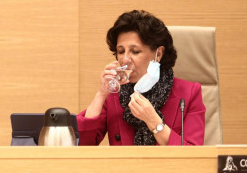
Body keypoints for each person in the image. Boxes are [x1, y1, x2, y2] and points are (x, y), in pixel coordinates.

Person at [78, 10, 206, 146]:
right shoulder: (114, 92)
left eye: (135, 51)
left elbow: (193, 154)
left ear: (158, 54)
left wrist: (154, 121)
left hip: (168, 167)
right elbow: (84, 144)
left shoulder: (189, 93)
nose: (125, 59)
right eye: (121, 51)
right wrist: (101, 95)